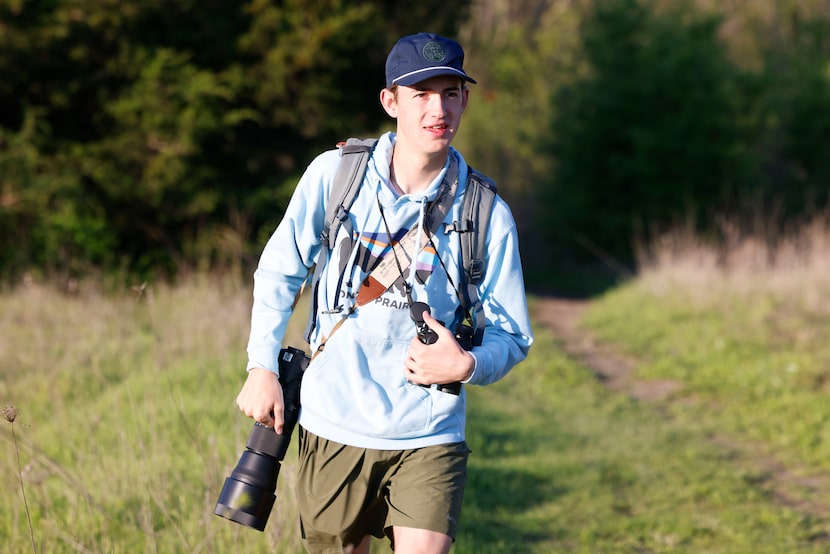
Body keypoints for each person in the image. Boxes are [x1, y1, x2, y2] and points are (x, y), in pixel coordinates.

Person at [235, 32, 533, 554]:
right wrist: (261, 366)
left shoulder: (487, 213)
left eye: (450, 93)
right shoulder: (336, 176)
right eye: (421, 94)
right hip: (334, 424)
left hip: (429, 432)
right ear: (390, 101)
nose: (437, 109)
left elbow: (511, 335)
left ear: (464, 100)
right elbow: (279, 271)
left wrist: (465, 366)